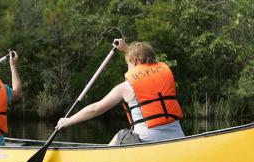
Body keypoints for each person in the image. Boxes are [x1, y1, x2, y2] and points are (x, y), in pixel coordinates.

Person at [56, 39, 184, 145]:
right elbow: (140, 61)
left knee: (121, 135)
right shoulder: (165, 76)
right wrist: (126, 49)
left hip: (147, 142)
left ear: (133, 61)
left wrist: (68, 121)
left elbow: (95, 109)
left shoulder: (125, 88)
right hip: (178, 139)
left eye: (128, 62)